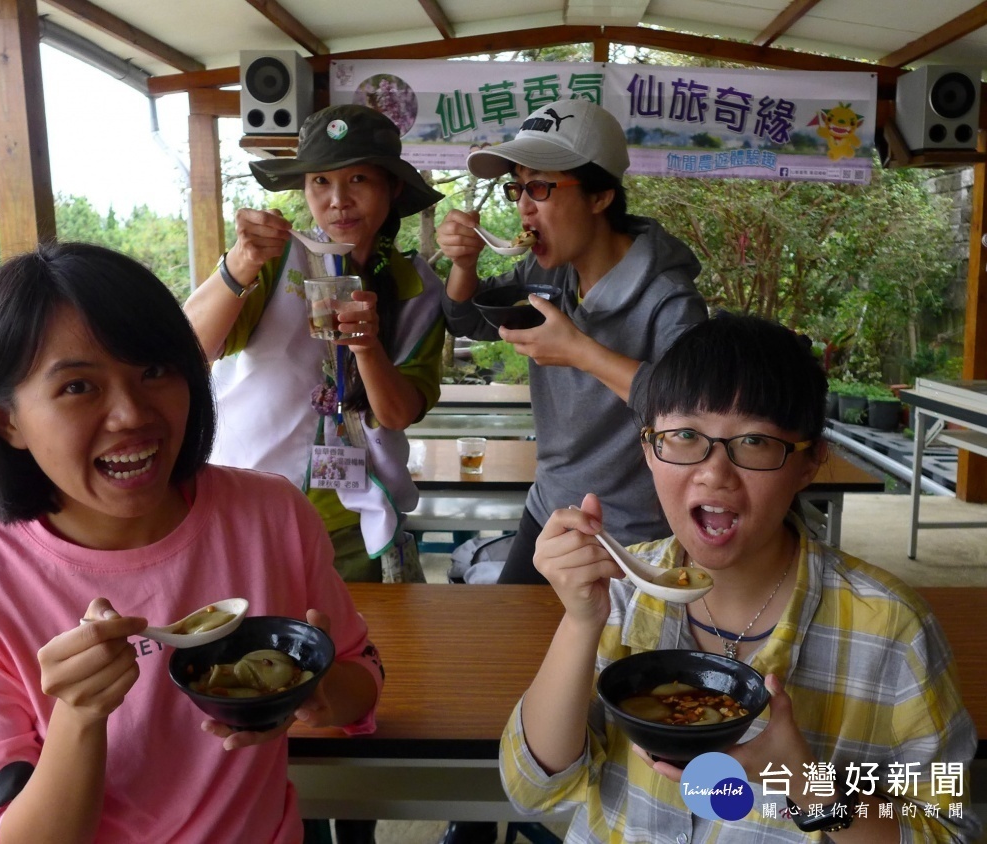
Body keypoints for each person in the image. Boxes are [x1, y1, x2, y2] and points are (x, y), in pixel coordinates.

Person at [0, 241, 383, 844]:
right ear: (7, 420)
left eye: (154, 370)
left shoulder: (270, 514)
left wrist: (308, 689)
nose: (131, 415)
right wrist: (80, 715)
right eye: (78, 387)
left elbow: (360, 678)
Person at [500, 313, 981, 843]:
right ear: (648, 449)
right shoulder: (617, 591)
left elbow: (949, 829)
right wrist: (580, 620)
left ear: (810, 462)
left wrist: (806, 784)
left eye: (753, 441)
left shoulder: (892, 629)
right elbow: (533, 788)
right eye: (684, 435)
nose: (713, 471)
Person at [436, 98, 707, 593]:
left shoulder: (669, 300)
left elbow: (690, 420)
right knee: (516, 650)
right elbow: (467, 320)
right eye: (517, 186)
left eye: (539, 186)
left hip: (632, 538)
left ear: (601, 195)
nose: (522, 205)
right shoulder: (546, 271)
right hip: (549, 511)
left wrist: (579, 350)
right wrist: (464, 266)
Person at [184, 103, 447, 595]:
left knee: (350, 655)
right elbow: (189, 350)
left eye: (359, 180)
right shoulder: (276, 256)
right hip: (249, 505)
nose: (338, 201)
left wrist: (368, 348)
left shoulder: (418, 288)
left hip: (351, 520)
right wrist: (240, 261)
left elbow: (396, 413)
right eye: (320, 182)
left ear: (392, 188)